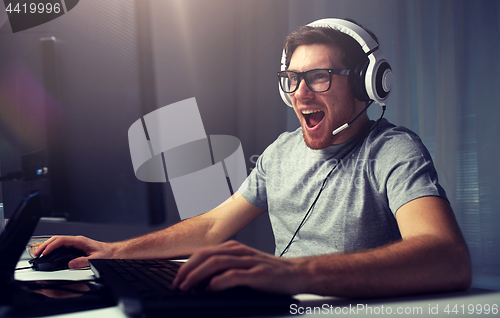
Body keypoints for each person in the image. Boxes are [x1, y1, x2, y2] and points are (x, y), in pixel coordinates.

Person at [35, 19, 471, 297]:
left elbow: (445, 257)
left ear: (366, 85)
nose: (300, 93)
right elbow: (211, 227)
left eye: (318, 77)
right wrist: (112, 252)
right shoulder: (281, 151)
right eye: (292, 79)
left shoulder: (393, 149)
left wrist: (295, 274)